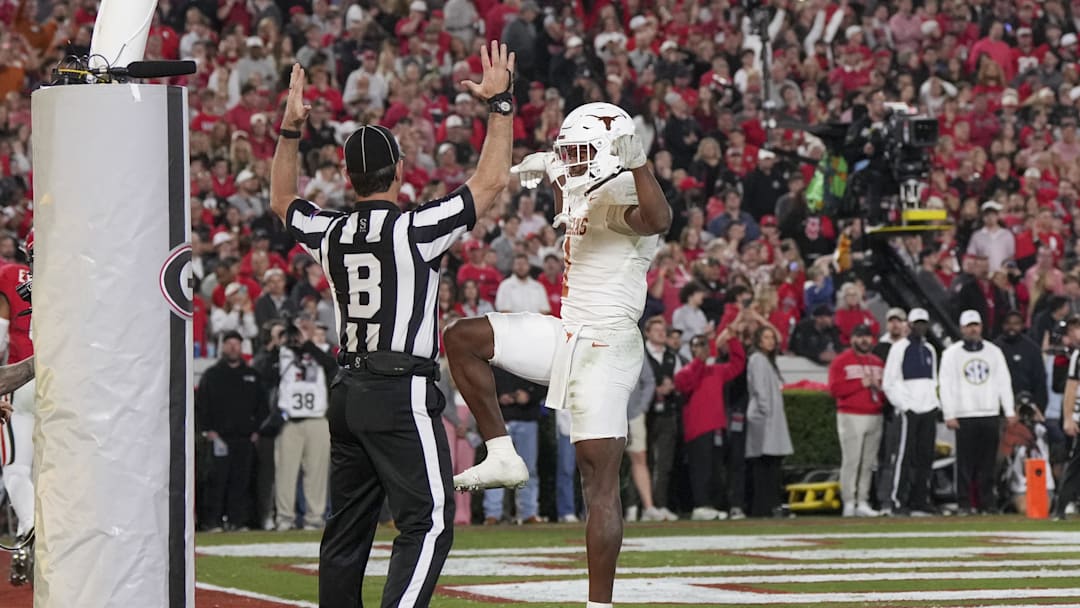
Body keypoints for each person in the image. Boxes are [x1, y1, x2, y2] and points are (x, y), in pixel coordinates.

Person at [269, 43, 515, 608]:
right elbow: (491, 182)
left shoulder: (330, 231)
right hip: (399, 388)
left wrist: (288, 132)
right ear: (399, 172)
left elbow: (284, 198)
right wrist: (500, 105)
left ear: (348, 176)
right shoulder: (415, 228)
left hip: (348, 391)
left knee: (346, 531)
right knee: (427, 524)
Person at [444, 99, 671, 608]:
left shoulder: (624, 188)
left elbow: (658, 217)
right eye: (569, 151)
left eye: (579, 152)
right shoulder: (586, 175)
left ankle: (598, 605)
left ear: (615, 153)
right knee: (461, 337)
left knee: (598, 481)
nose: (570, 160)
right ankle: (502, 454)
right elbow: (561, 168)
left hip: (608, 345)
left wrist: (640, 164)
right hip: (568, 330)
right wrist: (545, 160)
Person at [939, 310, 1017, 515]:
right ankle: (964, 503)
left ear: (981, 327)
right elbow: (945, 385)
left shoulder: (993, 352)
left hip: (989, 412)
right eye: (969, 326)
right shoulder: (951, 354)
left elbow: (1004, 382)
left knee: (988, 462)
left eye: (976, 325)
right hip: (964, 414)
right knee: (964, 463)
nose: (973, 329)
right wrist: (949, 413)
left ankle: (987, 503)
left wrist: (1009, 410)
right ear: (962, 328)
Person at [195, 331, 270, 531]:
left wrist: (257, 431)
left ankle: (238, 521)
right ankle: (213, 521)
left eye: (237, 344)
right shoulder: (212, 375)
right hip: (219, 438)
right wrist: (208, 430)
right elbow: (202, 404)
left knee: (241, 481)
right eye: (229, 344)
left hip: (245, 438)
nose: (233, 348)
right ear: (223, 347)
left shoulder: (253, 376)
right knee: (216, 482)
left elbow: (262, 407)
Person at [269, 319, 338, 531]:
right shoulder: (282, 353)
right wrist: (275, 343)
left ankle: (314, 517)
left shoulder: (322, 351)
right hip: (289, 420)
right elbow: (264, 371)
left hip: (317, 419)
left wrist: (308, 344)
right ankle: (285, 518)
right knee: (285, 473)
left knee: (317, 473)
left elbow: (333, 368)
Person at [674, 329, 746, 520]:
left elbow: (738, 365)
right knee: (701, 468)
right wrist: (700, 361)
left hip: (716, 427)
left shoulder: (716, 371)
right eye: (696, 346)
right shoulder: (685, 372)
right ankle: (700, 504)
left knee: (715, 469)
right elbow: (685, 384)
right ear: (691, 350)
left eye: (703, 345)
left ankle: (711, 504)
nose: (701, 349)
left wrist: (732, 340)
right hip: (697, 429)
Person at [882, 308, 941, 516]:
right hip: (910, 410)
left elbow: (933, 380)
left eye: (923, 323)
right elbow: (889, 382)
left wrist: (935, 404)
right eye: (916, 323)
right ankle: (898, 499)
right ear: (909, 325)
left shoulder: (930, 350)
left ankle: (920, 499)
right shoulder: (899, 349)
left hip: (928, 409)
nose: (920, 327)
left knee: (926, 456)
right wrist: (904, 406)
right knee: (903, 456)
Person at [828, 324, 885, 517]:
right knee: (852, 460)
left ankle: (862, 500)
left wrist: (879, 389)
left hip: (875, 414)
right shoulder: (841, 361)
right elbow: (835, 390)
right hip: (851, 414)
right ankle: (849, 501)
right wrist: (860, 383)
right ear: (852, 339)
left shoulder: (877, 362)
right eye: (860, 336)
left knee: (868, 462)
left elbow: (886, 392)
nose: (864, 340)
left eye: (867, 337)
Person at [745, 325, 793, 517]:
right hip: (765, 418)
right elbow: (759, 388)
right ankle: (762, 507)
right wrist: (765, 410)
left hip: (770, 417)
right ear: (758, 340)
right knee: (764, 463)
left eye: (772, 337)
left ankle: (769, 505)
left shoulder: (767, 360)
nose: (770, 341)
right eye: (766, 337)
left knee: (770, 463)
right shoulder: (758, 359)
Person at [1056, 315, 1080, 520]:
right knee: (1076, 464)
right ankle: (1061, 506)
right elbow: (1071, 388)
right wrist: (1068, 418)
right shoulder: (1078, 355)